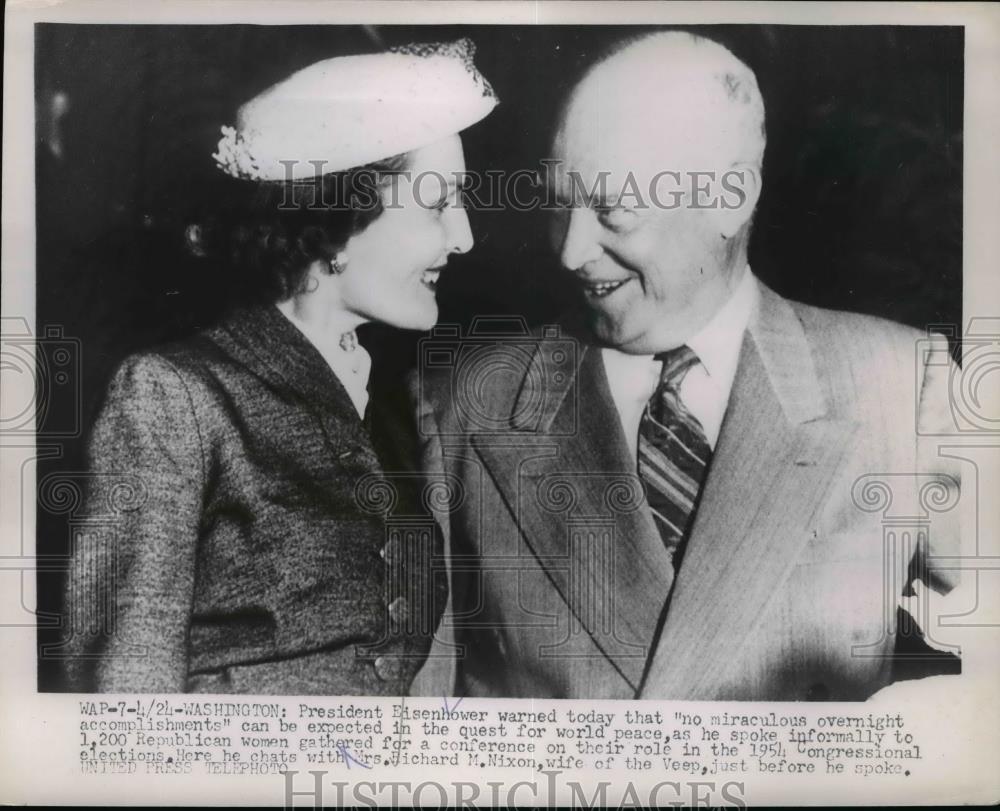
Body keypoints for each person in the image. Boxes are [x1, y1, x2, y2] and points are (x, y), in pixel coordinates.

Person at [416, 31, 961, 701]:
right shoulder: (466, 403)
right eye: (560, 204)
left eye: (614, 210)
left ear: (731, 197)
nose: (571, 250)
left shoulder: (900, 385)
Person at [62, 39, 497, 694]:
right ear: (342, 220)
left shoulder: (395, 406)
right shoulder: (173, 392)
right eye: (438, 206)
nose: (463, 237)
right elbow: (125, 686)